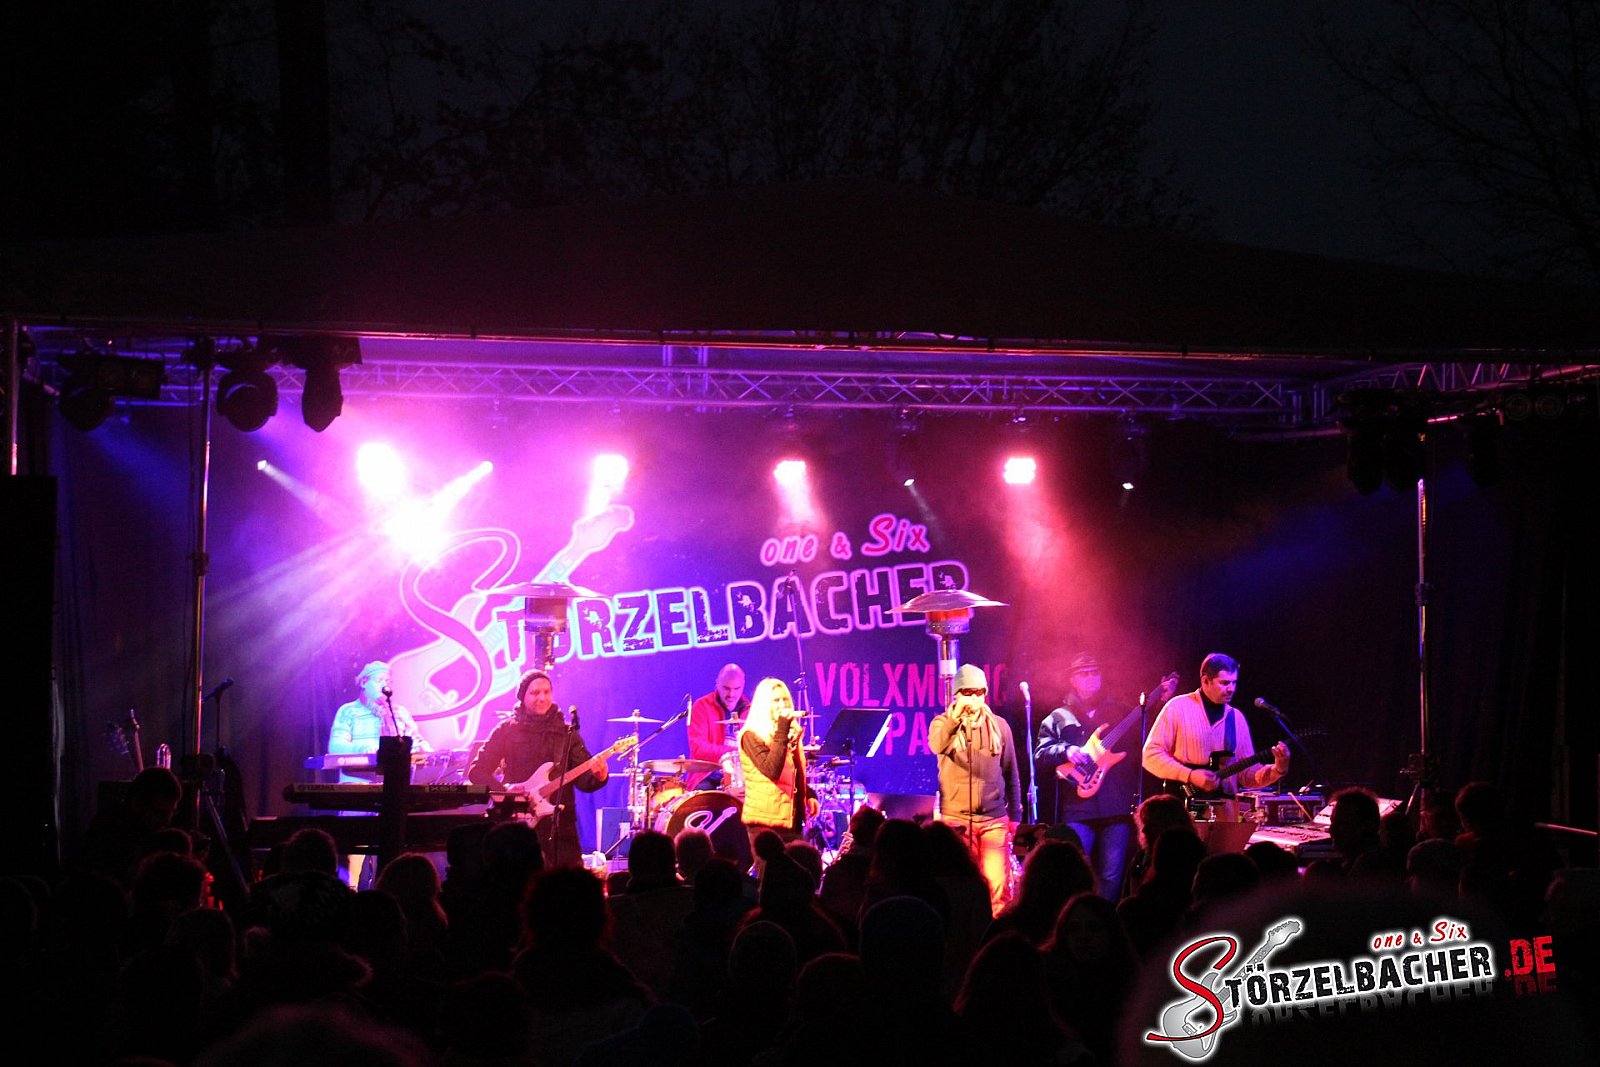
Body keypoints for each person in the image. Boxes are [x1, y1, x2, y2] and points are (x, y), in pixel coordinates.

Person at [1036, 651, 1179, 900]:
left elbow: (1150, 735)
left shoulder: (1120, 711)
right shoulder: (1058, 717)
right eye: (1084, 674)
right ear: (1072, 679)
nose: (1091, 678)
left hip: (1115, 806)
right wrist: (1066, 750)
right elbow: (1041, 753)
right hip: (1077, 808)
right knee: (1075, 870)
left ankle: (1105, 915)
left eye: (1095, 673)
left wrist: (1161, 701)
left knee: (1112, 875)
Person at [468, 669, 613, 868]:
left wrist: (599, 775)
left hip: (561, 826)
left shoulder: (566, 732)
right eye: (535, 693)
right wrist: (505, 792)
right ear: (522, 696)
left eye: (546, 692)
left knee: (568, 881)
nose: (542, 698)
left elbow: (584, 782)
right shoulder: (506, 730)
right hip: (517, 824)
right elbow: (477, 771)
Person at [1140, 652, 1289, 820]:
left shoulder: (1236, 718)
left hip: (1223, 818)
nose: (1231, 688)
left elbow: (1247, 775)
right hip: (1181, 814)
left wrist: (1277, 769)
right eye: (1225, 683)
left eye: (1234, 682)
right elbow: (1150, 755)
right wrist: (1189, 775)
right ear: (1205, 681)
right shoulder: (1177, 707)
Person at [928, 663, 1022, 914]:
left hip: (994, 819)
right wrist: (955, 719)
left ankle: (996, 933)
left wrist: (1015, 815)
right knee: (962, 887)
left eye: (979, 692)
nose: (974, 698)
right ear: (957, 694)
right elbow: (937, 745)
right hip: (957, 820)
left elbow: (1011, 771)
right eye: (968, 692)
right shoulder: (942, 724)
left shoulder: (999, 726)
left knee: (998, 888)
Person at [737, 677, 814, 855]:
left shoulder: (791, 734)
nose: (782, 705)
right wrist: (782, 730)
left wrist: (809, 794)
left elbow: (793, 773)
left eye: (785, 699)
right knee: (772, 872)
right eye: (775, 700)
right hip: (765, 825)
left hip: (791, 821)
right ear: (763, 705)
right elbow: (772, 770)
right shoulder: (751, 735)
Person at [327, 660, 431, 782]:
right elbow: (335, 747)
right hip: (356, 785)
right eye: (379, 680)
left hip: (394, 784)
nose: (384, 686)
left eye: (387, 681)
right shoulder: (348, 710)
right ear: (364, 682)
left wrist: (426, 750)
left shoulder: (400, 712)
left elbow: (417, 742)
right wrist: (360, 749)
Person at [687, 662, 749, 792]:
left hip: (742, 778)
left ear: (743, 685)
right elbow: (698, 748)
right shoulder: (702, 706)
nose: (731, 694)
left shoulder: (750, 710)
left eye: (736, 689)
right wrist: (733, 753)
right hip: (708, 776)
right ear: (717, 684)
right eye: (726, 688)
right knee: (704, 797)